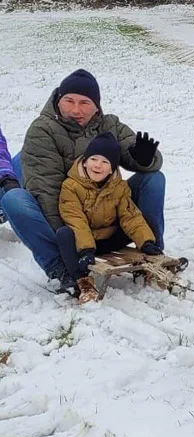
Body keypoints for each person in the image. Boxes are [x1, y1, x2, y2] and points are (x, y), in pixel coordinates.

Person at [0, 70, 164, 289]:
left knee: (153, 178)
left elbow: (136, 150)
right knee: (14, 200)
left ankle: (152, 254)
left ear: (96, 106)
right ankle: (59, 267)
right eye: (69, 101)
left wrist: (144, 158)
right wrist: (70, 242)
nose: (76, 110)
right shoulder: (43, 130)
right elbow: (45, 190)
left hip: (107, 216)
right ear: (59, 101)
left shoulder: (109, 125)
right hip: (69, 219)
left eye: (84, 103)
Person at [55, 133, 162, 303]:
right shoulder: (71, 186)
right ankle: (82, 281)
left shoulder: (119, 187)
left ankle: (153, 261)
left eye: (105, 162)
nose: (98, 165)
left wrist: (146, 241)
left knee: (142, 220)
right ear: (85, 161)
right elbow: (75, 219)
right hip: (83, 243)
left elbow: (130, 215)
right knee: (64, 234)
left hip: (107, 238)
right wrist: (86, 250)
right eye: (94, 159)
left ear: (112, 168)